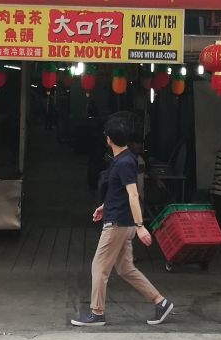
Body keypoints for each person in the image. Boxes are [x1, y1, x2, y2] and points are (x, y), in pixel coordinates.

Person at [71, 115, 174, 327]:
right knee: (125, 269)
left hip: (118, 224)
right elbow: (120, 193)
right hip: (121, 220)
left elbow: (133, 195)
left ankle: (96, 312)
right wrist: (105, 206)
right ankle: (160, 302)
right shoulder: (125, 160)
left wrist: (140, 226)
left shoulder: (124, 163)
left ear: (108, 139)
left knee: (99, 267)